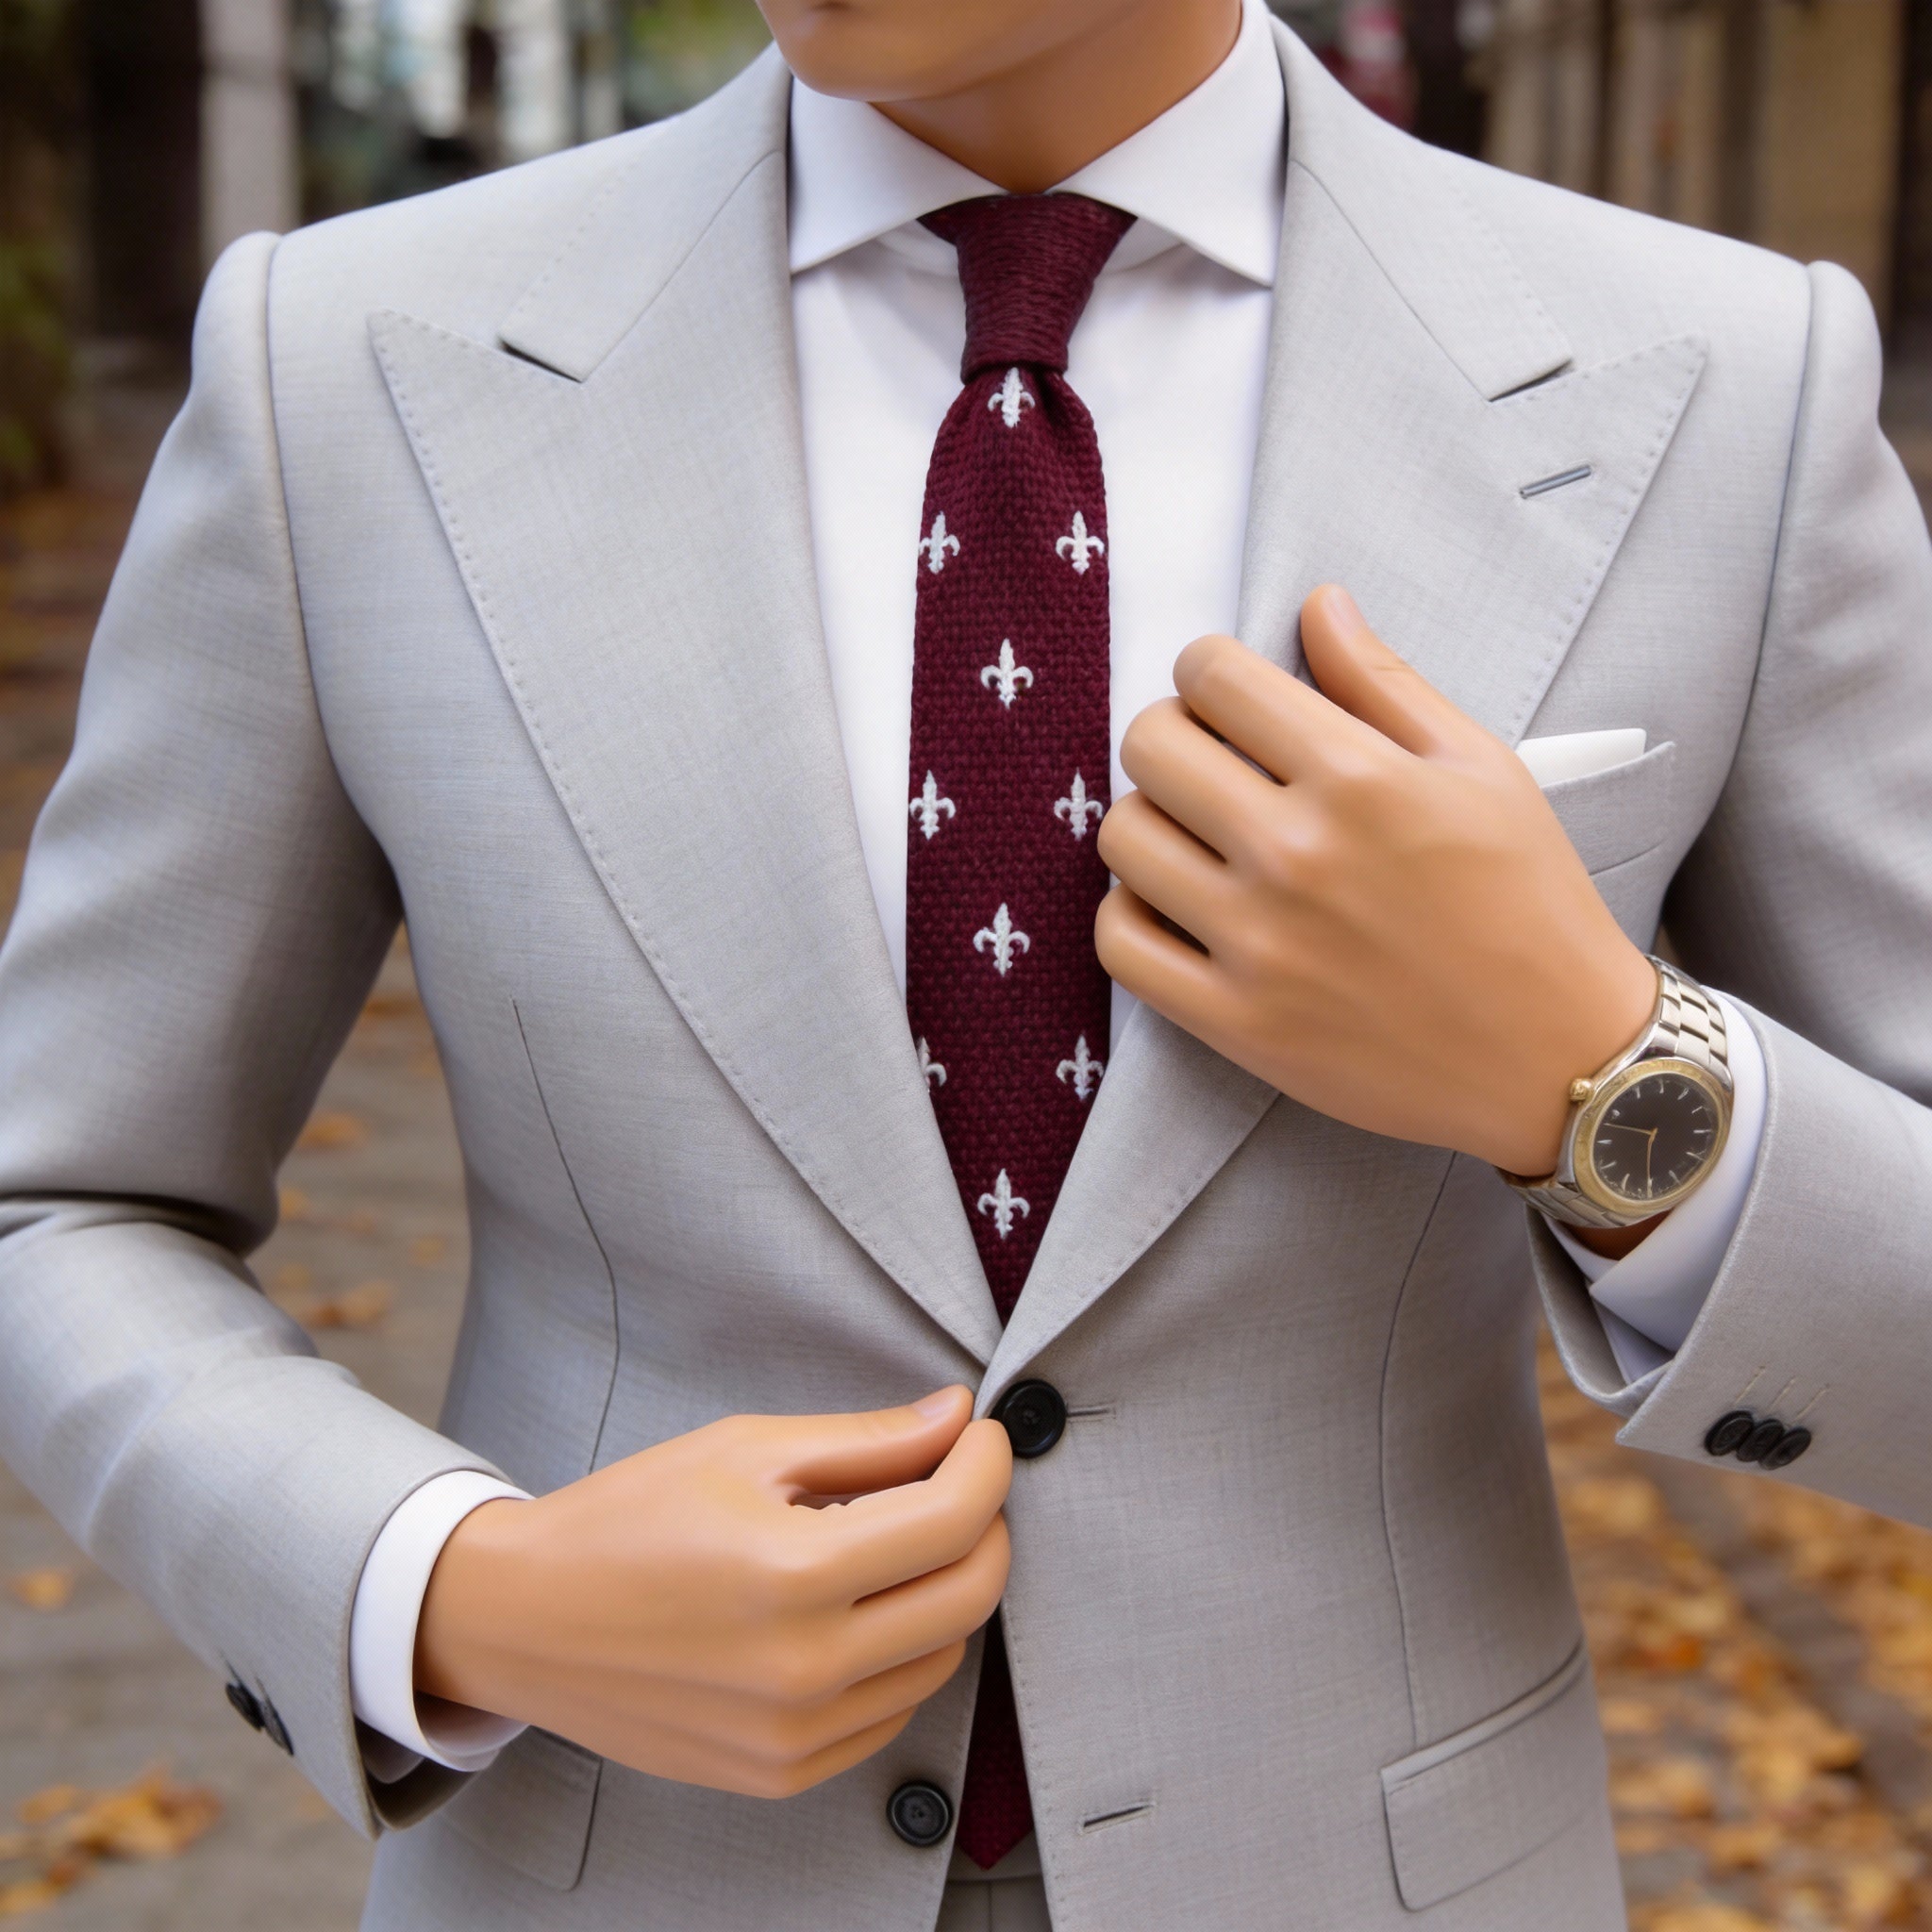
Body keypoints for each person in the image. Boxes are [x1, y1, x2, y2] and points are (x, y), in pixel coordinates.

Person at [0, 0, 1926, 1924]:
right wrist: (448, 1586)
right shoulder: (340, 364)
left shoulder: (1721, 387)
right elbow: (59, 1197)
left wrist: (1598, 1080)